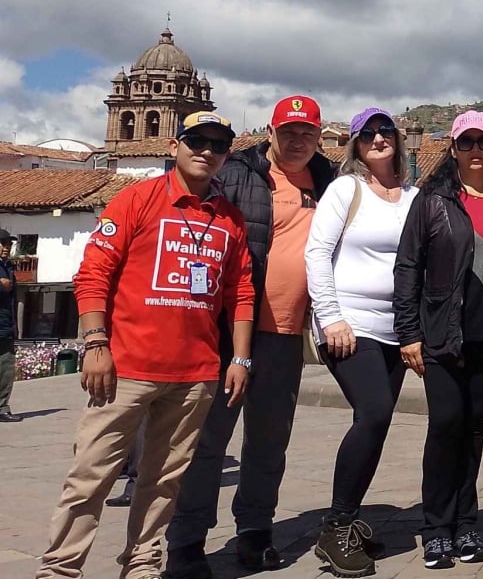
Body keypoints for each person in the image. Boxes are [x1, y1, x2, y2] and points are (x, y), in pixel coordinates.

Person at [36, 112, 255, 579]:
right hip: (126, 369)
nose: (207, 151)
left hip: (195, 374)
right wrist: (96, 343)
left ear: (226, 155)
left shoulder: (230, 220)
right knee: (90, 477)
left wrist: (239, 357)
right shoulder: (135, 200)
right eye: (197, 141)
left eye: (218, 145)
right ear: (175, 145)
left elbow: (240, 292)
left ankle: (142, 565)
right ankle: (60, 569)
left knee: (163, 482)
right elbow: (93, 274)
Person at [165, 96, 337, 579]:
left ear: (319, 136)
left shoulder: (328, 181)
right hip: (227, 331)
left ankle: (255, 531)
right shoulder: (238, 173)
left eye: (307, 132)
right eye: (289, 131)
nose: (298, 140)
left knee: (269, 442)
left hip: (286, 332)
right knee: (207, 441)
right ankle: (186, 542)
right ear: (271, 132)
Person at [394, 111, 483, 568]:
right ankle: (436, 528)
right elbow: (408, 266)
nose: (475, 150)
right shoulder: (433, 200)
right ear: (453, 149)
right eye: (467, 143)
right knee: (446, 425)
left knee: (473, 428)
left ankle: (466, 524)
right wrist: (409, 332)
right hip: (442, 333)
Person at [304, 108, 417, 578]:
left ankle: (347, 519)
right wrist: (330, 317)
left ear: (398, 139)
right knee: (374, 413)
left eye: (384, 130)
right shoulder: (345, 190)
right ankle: (337, 526)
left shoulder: (413, 197)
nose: (377, 139)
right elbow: (317, 252)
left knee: (375, 423)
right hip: (350, 325)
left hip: (397, 328)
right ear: (354, 144)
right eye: (366, 134)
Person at [0, 230, 16, 422]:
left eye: (8, 244)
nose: (6, 248)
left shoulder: (8, 267)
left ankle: (2, 408)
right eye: (2, 243)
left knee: (6, 369)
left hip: (6, 327)